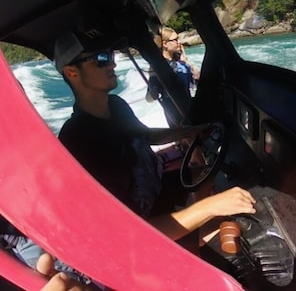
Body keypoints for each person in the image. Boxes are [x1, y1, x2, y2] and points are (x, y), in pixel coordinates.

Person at [54, 30, 257, 242]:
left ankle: (195, 234)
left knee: (203, 175)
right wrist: (209, 207)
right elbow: (125, 232)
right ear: (72, 72)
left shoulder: (116, 106)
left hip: (155, 191)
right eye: (101, 59)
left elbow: (147, 137)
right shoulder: (78, 140)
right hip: (140, 231)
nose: (112, 65)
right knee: (230, 221)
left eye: (110, 56)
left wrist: (191, 131)